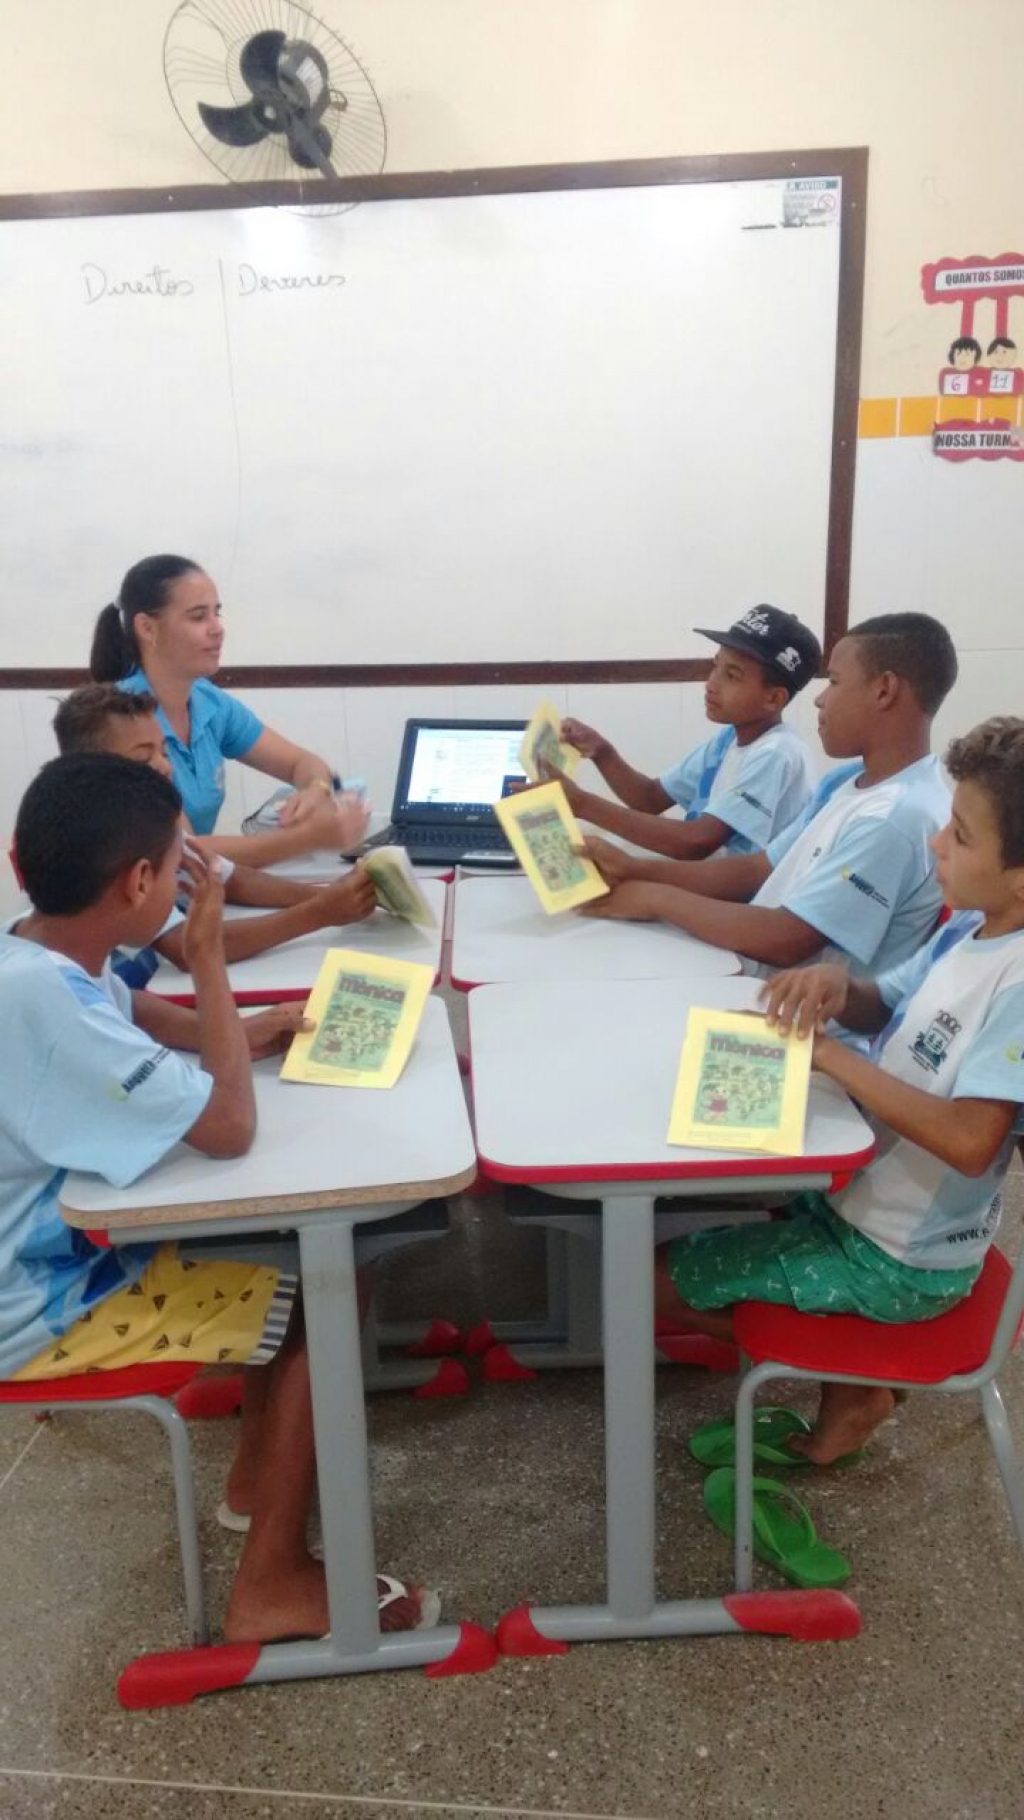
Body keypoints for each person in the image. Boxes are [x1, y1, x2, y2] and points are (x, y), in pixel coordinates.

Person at [0, 753, 435, 1641]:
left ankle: (252, 1486)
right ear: (141, 884)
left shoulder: (33, 954)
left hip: (50, 1256)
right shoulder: (46, 1002)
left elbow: (135, 1022)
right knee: (329, 1273)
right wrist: (205, 960)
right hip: (43, 1305)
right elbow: (230, 1127)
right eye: (179, 867)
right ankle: (270, 1581)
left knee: (288, 1248)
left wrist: (235, 1030)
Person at [656, 716, 1024, 1463]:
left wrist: (828, 1056)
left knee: (652, 1280)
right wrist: (837, 987)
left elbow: (970, 1141)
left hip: (899, 1260)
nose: (937, 844)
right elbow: (886, 1000)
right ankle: (851, 1392)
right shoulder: (972, 930)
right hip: (861, 1198)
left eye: (960, 836)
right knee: (714, 1183)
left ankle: (855, 1380)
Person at [580, 612, 957, 977]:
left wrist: (654, 897)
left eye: (834, 682)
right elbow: (759, 868)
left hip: (791, 1011)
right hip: (751, 967)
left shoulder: (894, 818)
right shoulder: (850, 781)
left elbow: (788, 940)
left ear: (884, 690)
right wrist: (633, 870)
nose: (819, 700)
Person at [53, 685, 377, 972]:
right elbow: (186, 947)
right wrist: (319, 912)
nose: (165, 767)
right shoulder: (105, 846)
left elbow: (228, 877)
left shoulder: (148, 824)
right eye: (143, 760)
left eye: (164, 752)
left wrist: (333, 896)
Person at [89, 553, 368, 857]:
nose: (217, 629)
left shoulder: (209, 702)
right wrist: (309, 838)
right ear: (147, 628)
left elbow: (300, 762)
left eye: (216, 613)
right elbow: (184, 853)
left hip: (200, 882)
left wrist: (316, 789)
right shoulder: (121, 719)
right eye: (198, 617)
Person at [556, 606, 820, 860]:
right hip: (708, 882)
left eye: (732, 675)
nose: (711, 683)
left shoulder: (777, 753)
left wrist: (583, 804)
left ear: (773, 699)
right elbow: (649, 798)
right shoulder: (728, 741)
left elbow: (696, 842)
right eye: (715, 666)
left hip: (746, 891)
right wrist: (601, 751)